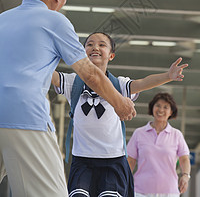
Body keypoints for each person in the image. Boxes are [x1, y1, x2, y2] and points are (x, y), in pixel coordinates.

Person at [0, 0, 136, 197]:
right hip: (25, 117)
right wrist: (119, 102)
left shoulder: (2, 19)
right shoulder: (55, 21)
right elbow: (90, 74)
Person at [52, 32, 188, 197]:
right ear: (83, 53)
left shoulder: (119, 85)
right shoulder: (73, 82)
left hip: (112, 161)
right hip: (82, 160)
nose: (95, 47)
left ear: (111, 56)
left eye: (102, 45)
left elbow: (143, 82)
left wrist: (167, 76)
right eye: (89, 44)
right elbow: (50, 75)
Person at [127, 92, 191, 197]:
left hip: (169, 192)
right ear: (152, 108)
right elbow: (130, 160)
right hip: (140, 191)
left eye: (165, 107)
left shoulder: (176, 135)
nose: (161, 110)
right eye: (158, 106)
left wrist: (185, 175)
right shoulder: (139, 133)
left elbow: (184, 159)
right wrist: (124, 181)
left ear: (171, 112)